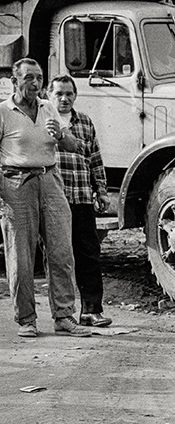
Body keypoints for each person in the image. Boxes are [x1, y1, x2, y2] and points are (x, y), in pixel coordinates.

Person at [0, 58, 90, 338]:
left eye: (39, 78)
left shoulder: (48, 106)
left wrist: (62, 136)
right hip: (16, 184)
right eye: (29, 78)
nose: (35, 83)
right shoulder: (3, 111)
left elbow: (75, 146)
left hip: (50, 179)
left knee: (62, 252)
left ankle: (64, 316)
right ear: (15, 81)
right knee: (21, 257)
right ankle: (26, 319)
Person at [48, 74, 112, 328]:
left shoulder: (84, 121)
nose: (64, 99)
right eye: (59, 94)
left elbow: (94, 157)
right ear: (48, 95)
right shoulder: (43, 120)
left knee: (89, 254)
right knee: (59, 257)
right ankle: (62, 314)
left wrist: (102, 190)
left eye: (69, 94)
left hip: (83, 197)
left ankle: (92, 310)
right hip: (54, 200)